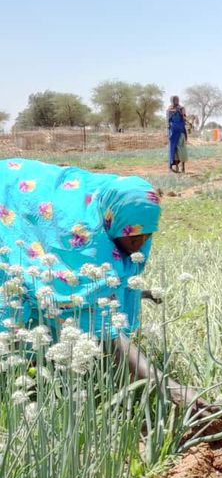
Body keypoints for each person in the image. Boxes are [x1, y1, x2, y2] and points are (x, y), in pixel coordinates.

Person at [0, 158, 197, 407]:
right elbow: (95, 319)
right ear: (111, 222)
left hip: (30, 192)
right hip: (9, 202)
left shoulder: (127, 213)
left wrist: (136, 292)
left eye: (147, 236)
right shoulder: (80, 237)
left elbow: (113, 276)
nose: (140, 244)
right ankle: (19, 376)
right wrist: (169, 387)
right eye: (134, 238)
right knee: (19, 285)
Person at [167, 96, 188, 173]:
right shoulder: (169, 110)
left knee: (182, 149)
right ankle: (176, 167)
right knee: (174, 150)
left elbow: (184, 119)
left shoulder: (182, 108)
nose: (176, 101)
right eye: (174, 100)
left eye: (177, 99)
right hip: (173, 133)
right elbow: (168, 122)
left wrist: (182, 114)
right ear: (171, 101)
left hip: (180, 131)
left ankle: (183, 167)